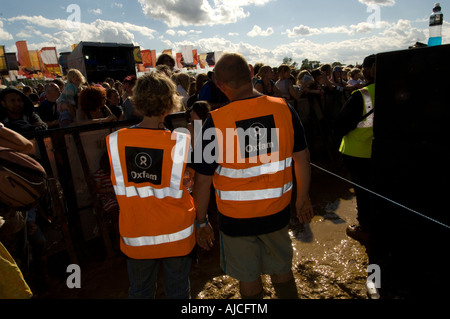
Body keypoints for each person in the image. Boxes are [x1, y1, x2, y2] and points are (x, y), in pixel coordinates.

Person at [190, 53, 314, 299]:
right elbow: (302, 157)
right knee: (282, 271)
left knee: (248, 278)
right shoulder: (283, 108)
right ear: (250, 72)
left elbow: (202, 179)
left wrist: (201, 221)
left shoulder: (214, 121)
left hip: (236, 219)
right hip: (277, 213)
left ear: (220, 85)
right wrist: (303, 198)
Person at [106, 72, 196, 299]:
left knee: (140, 291)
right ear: (170, 103)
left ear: (137, 101)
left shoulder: (115, 140)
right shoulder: (181, 141)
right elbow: (189, 183)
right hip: (177, 233)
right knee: (178, 291)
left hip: (137, 233)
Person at [333, 55, 376, 243]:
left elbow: (340, 125)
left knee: (364, 193)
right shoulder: (398, 89)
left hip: (359, 153)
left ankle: (366, 228)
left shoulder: (363, 95)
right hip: (387, 153)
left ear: (366, 72)